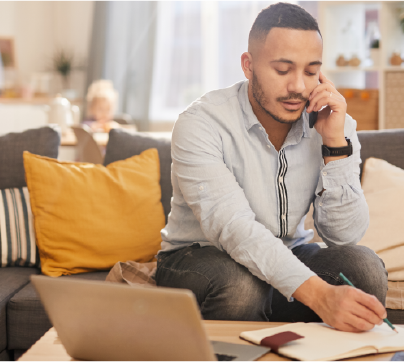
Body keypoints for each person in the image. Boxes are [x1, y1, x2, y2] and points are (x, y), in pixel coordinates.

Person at [156, 3, 388, 333]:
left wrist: (335, 145)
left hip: (286, 254)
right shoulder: (201, 123)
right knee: (240, 288)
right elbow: (235, 229)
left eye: (311, 72)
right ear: (248, 66)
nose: (298, 86)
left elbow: (345, 236)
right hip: (199, 260)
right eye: (282, 70)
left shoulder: (334, 124)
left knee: (364, 269)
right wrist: (321, 296)